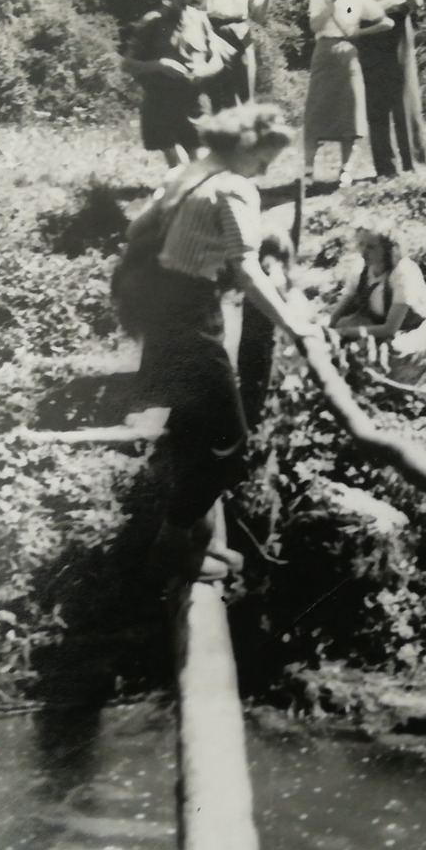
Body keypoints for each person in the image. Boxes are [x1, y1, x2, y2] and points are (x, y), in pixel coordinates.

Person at [129, 103, 320, 583]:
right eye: (266, 159)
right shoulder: (235, 187)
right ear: (246, 147)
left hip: (161, 307)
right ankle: (170, 548)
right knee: (231, 446)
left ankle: (194, 546)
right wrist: (295, 327)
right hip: (191, 314)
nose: (268, 169)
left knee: (195, 432)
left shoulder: (186, 172)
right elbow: (249, 272)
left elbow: (135, 230)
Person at [327, 224, 426, 398]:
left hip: (410, 330)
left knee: (394, 354)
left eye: (371, 247)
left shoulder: (403, 273)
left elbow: (390, 328)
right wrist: (330, 329)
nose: (364, 252)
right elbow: (341, 308)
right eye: (361, 245)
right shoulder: (360, 268)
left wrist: (344, 332)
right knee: (336, 338)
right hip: (374, 322)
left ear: (387, 249)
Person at [121, 0, 230, 167]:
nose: (186, 0)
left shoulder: (200, 20)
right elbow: (127, 65)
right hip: (161, 104)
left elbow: (217, 61)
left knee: (202, 165)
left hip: (194, 102)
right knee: (180, 167)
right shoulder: (152, 22)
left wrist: (204, 70)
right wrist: (159, 65)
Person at [302, 0, 392, 189]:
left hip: (347, 54)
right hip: (323, 55)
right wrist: (332, 3)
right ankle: (308, 172)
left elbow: (386, 22)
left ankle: (346, 172)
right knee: (315, 114)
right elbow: (315, 25)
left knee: (350, 117)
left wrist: (359, 32)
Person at [354, 0, 426, 178]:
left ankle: (414, 165)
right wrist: (389, 3)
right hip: (370, 32)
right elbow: (355, 7)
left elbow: (416, 2)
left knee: (404, 96)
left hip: (397, 30)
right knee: (376, 99)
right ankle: (385, 169)